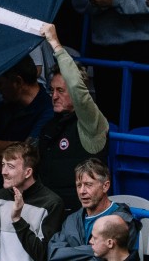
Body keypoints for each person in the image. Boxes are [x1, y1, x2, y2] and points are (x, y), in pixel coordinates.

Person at [33, 25, 108, 203]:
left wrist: (55, 44)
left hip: (78, 213)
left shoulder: (90, 123)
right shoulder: (51, 125)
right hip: (49, 210)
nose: (54, 96)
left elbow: (76, 86)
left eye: (60, 90)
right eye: (52, 90)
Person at [0, 142, 63, 261]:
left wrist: (17, 220)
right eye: (3, 164)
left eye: (10, 166)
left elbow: (43, 255)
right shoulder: (0, 197)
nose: (3, 172)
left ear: (28, 172)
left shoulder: (51, 203)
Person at [45, 160, 131, 261]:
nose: (82, 191)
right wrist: (94, 252)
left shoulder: (122, 220)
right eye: (79, 185)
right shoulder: (72, 220)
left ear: (105, 186)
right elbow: (54, 253)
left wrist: (69, 253)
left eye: (88, 185)